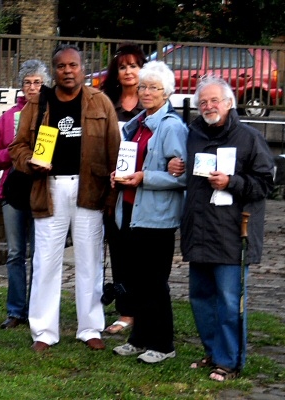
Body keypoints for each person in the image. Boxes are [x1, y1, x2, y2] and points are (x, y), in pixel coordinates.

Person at [9, 44, 121, 352]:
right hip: (49, 189)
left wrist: (112, 196)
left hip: (90, 190)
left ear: (83, 69)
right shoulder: (37, 104)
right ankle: (44, 332)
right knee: (45, 261)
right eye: (61, 66)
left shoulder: (101, 103)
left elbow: (115, 151)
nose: (68, 71)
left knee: (90, 261)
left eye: (73, 65)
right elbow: (16, 147)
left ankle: (90, 328)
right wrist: (30, 160)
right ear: (54, 70)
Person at [179, 76, 274, 381]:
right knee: (200, 298)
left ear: (229, 103)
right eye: (203, 102)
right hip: (200, 229)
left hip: (233, 232)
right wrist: (176, 166)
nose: (208, 106)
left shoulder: (248, 138)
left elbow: (265, 183)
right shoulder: (193, 134)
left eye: (214, 100)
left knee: (230, 301)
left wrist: (231, 182)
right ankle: (212, 352)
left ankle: (229, 361)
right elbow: (187, 175)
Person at [109, 61, 188, 363]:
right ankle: (140, 338)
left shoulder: (171, 127)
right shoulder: (138, 124)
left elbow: (181, 177)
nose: (146, 92)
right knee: (137, 281)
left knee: (155, 282)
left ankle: (163, 344)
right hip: (129, 210)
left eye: (153, 87)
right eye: (143, 86)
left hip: (156, 217)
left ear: (167, 92)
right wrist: (119, 174)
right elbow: (131, 163)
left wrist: (145, 177)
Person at [0, 59, 50, 329]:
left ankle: (37, 308)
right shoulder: (10, 116)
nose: (32, 88)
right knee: (15, 254)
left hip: (43, 190)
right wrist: (13, 155)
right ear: (21, 87)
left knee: (40, 253)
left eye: (37, 82)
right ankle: (15, 310)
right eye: (27, 83)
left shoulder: (52, 113)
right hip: (12, 191)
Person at [99, 43, 147, 334]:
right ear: (116, 73)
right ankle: (126, 311)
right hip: (113, 188)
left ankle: (145, 306)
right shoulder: (105, 103)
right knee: (118, 248)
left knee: (143, 251)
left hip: (145, 189)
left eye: (134, 65)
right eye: (123, 66)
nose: (129, 71)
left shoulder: (152, 101)